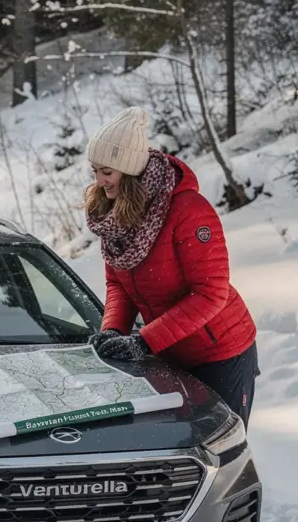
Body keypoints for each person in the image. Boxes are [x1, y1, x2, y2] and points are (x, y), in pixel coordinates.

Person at [84, 107, 258, 425]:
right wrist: (112, 329)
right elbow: (118, 284)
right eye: (94, 171)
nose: (99, 182)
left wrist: (145, 340)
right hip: (169, 351)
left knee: (222, 445)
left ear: (129, 170)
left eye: (106, 171)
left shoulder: (188, 210)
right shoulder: (117, 215)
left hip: (220, 353)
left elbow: (211, 293)